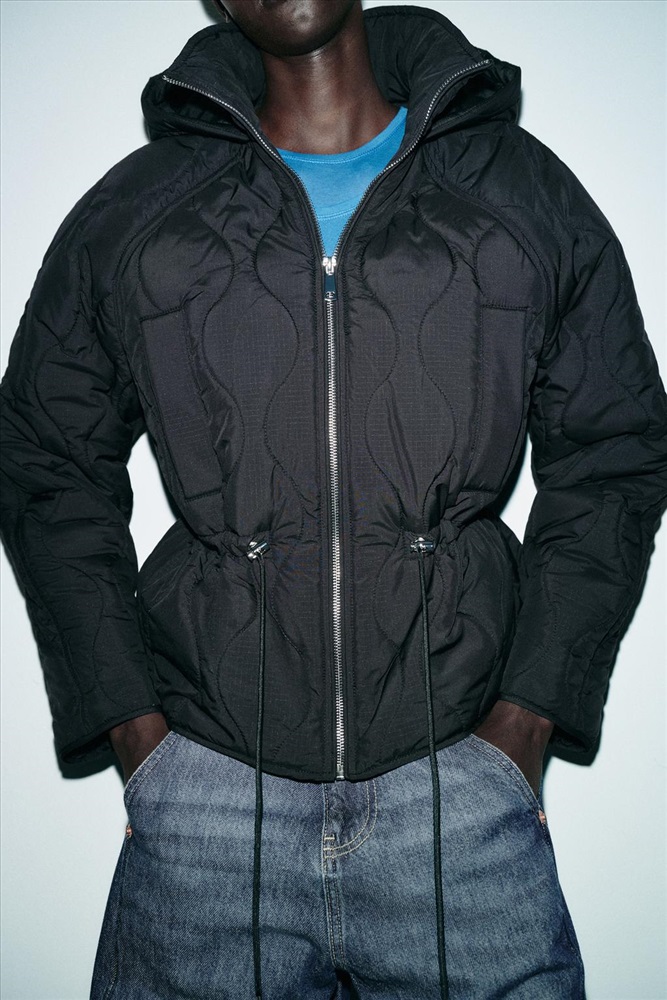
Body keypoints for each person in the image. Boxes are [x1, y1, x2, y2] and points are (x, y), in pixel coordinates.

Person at [1, 1, 665, 997]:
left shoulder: (516, 191)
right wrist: (130, 725)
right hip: (207, 794)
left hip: (459, 794)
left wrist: (530, 712)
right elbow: (46, 456)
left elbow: (613, 448)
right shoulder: (139, 209)